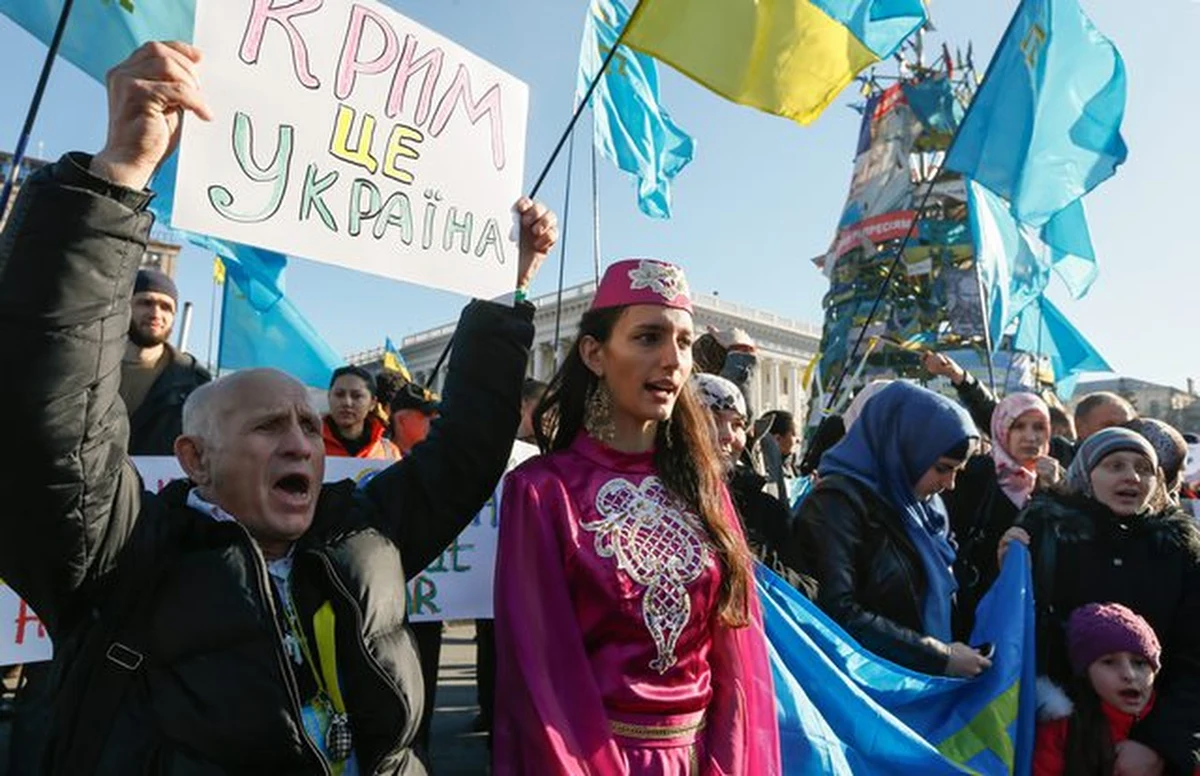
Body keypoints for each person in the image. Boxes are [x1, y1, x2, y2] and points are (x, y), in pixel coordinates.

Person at [0, 41, 558, 775]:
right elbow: (51, 422)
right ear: (194, 457)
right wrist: (117, 178)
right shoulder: (126, 556)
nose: (302, 442)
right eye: (267, 425)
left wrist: (504, 291)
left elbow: (467, 452)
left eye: (306, 421)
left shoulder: (363, 537)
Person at [493, 259, 780, 774]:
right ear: (594, 354)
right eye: (649, 337)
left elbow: (736, 663)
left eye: (686, 343)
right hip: (593, 759)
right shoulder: (542, 493)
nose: (673, 359)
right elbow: (541, 680)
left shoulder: (704, 488)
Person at [1002, 428, 1200, 775]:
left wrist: (1158, 741)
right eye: (1115, 465)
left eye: (1144, 468)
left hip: (1152, 748)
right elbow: (1014, 639)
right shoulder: (1046, 533)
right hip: (1062, 741)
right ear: (1084, 474)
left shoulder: (1179, 550)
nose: (1131, 476)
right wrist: (1007, 571)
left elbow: (1194, 658)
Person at [791, 381, 993, 677]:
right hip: (869, 693)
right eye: (942, 468)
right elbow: (837, 611)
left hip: (917, 686)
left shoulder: (922, 509)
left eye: (957, 471)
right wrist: (938, 657)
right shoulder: (836, 505)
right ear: (906, 448)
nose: (949, 485)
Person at [692, 373, 817, 599]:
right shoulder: (655, 501)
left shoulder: (763, 508)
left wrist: (754, 554)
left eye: (737, 424)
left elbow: (808, 590)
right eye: (711, 419)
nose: (728, 436)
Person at [945, 392, 1058, 637]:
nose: (1030, 437)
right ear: (1001, 428)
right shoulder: (974, 473)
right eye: (1018, 426)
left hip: (1028, 608)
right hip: (976, 605)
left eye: (1039, 427)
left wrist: (1053, 493)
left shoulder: (1052, 483)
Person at [1033, 603, 1164, 776]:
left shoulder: (1172, 729)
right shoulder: (1064, 731)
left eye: (1139, 663)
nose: (1129, 675)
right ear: (1085, 673)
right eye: (1109, 662)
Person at [120, 267, 211, 455]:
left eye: (166, 307)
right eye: (145, 303)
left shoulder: (195, 381)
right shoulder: (90, 369)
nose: (156, 313)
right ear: (125, 306)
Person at [322, 365, 401, 460]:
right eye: (339, 394)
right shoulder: (308, 446)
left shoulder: (388, 453)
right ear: (329, 397)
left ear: (372, 403)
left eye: (356, 396)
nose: (347, 402)